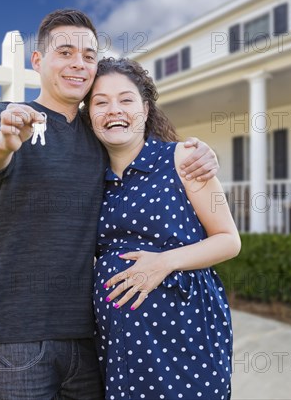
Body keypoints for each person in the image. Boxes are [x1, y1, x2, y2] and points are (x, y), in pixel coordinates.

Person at [0, 9, 219, 400]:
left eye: (88, 56)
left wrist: (203, 153)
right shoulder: (5, 117)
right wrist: (6, 140)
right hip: (15, 334)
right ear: (37, 61)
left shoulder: (98, 134)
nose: (78, 64)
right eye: (64, 52)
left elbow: (138, 149)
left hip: (93, 337)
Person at [82, 57, 240, 399]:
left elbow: (229, 241)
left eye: (126, 99)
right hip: (118, 344)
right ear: (89, 114)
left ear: (145, 108)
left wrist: (164, 261)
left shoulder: (183, 158)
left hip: (186, 334)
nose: (114, 110)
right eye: (101, 102)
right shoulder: (89, 179)